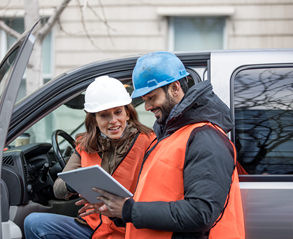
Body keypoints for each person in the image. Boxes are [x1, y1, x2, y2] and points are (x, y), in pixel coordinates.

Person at [79, 52, 245, 239]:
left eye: (151, 97)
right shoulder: (168, 137)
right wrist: (119, 212)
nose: (147, 107)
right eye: (144, 100)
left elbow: (200, 213)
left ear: (175, 88)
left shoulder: (205, 137)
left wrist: (129, 210)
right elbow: (157, 198)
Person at [24, 75, 155, 239]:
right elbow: (58, 189)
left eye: (118, 112)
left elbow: (155, 199)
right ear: (94, 119)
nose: (113, 121)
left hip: (127, 231)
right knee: (34, 222)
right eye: (104, 115)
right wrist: (75, 184)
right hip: (92, 228)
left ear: (128, 113)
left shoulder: (149, 143)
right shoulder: (85, 145)